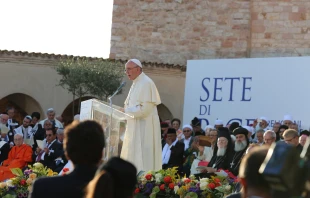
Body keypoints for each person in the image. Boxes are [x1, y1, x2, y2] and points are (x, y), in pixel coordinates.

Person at [29, 120, 106, 198]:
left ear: (67, 154)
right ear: (102, 154)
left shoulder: (43, 187)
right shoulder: (111, 188)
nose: (47, 137)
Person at [121, 59, 162, 172]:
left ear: (138, 69)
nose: (127, 72)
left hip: (145, 128)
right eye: (126, 70)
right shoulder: (135, 83)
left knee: (144, 160)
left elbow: (145, 110)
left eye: (129, 69)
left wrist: (125, 111)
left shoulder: (146, 83)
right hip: (134, 127)